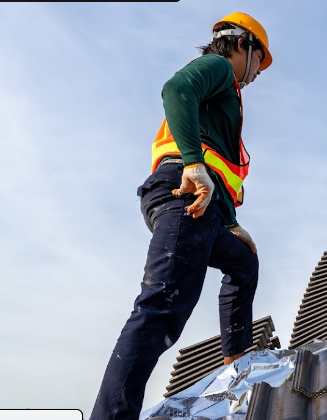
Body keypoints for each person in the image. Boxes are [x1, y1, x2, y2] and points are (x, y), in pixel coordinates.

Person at [91, 12, 273, 420]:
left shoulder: (227, 98)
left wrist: (231, 225)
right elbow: (176, 89)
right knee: (161, 309)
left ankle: (236, 360)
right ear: (243, 45)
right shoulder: (218, 68)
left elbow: (219, 170)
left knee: (244, 264)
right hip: (182, 192)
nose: (259, 72)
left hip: (205, 208)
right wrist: (192, 163)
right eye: (260, 60)